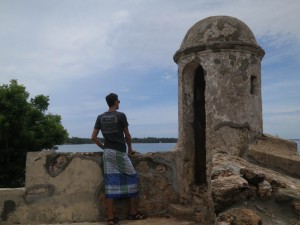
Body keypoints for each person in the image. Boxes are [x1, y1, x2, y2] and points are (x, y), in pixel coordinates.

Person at [91, 93, 147, 225]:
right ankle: (133, 212)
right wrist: (130, 149)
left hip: (108, 153)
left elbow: (93, 137)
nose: (119, 103)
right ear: (115, 102)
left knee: (110, 183)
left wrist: (104, 147)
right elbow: (127, 135)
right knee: (133, 178)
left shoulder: (100, 117)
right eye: (118, 101)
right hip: (119, 153)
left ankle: (110, 218)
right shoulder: (121, 116)